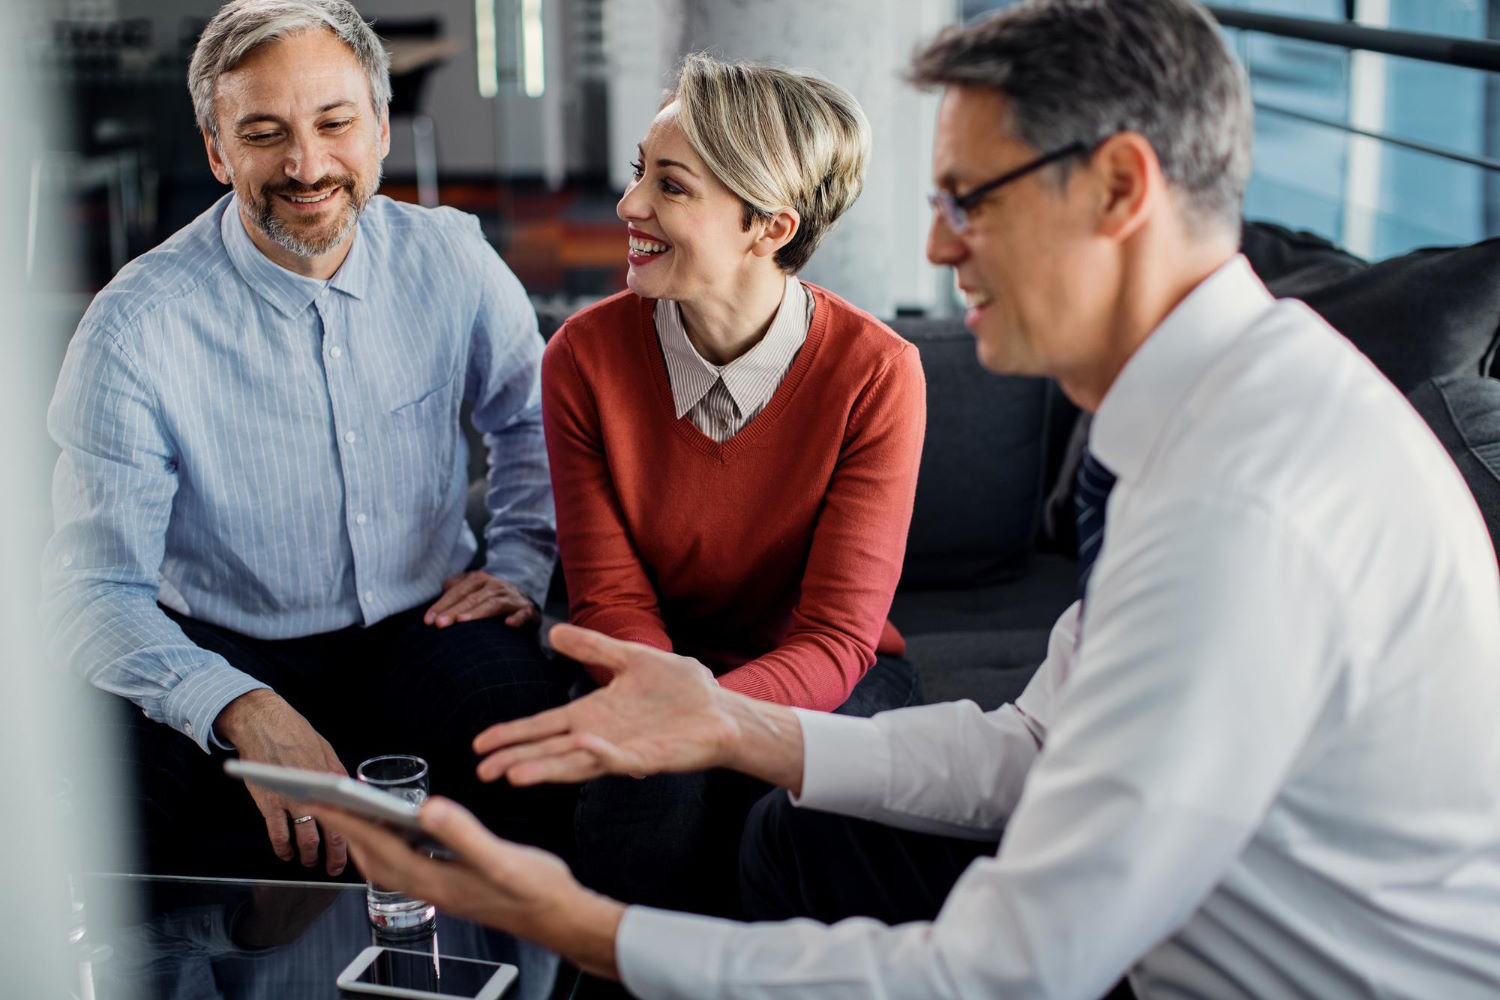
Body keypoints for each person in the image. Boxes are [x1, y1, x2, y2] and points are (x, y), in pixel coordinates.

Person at [318, 0, 1500, 997]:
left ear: (1119, 188)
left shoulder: (1247, 502)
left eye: (968, 198)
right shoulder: (1213, 424)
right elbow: (1041, 744)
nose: (935, 250)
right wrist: (730, 724)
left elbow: (1016, 964)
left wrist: (580, 924)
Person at [43, 0, 570, 878]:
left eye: (335, 123)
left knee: (535, 750)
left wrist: (518, 563)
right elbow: (93, 589)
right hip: (218, 633)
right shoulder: (134, 327)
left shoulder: (453, 259)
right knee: (111, 806)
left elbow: (530, 421)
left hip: (426, 615)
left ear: (380, 130)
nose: (307, 164)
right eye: (264, 133)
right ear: (218, 153)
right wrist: (238, 703)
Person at [540, 53, 925, 919]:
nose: (629, 205)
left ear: (769, 227)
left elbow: (835, 637)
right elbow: (606, 597)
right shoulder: (583, 358)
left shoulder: (878, 374)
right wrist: (668, 705)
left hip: (829, 674)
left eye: (670, 188)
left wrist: (701, 717)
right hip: (648, 660)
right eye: (641, 172)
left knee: (799, 809)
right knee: (645, 798)